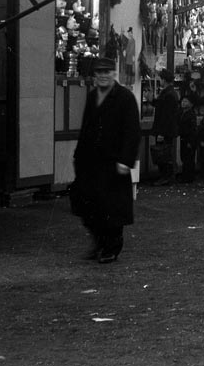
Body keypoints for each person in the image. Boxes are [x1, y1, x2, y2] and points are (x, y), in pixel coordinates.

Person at [70, 57, 141, 264]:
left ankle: (111, 247)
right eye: (99, 72)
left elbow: (132, 131)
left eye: (107, 72)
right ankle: (99, 242)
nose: (102, 76)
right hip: (92, 162)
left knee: (112, 209)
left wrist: (125, 160)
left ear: (114, 74)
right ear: (95, 76)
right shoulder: (92, 97)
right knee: (89, 206)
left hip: (114, 163)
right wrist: (78, 157)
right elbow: (86, 128)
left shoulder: (125, 97)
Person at [150, 68, 180, 185]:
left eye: (160, 79)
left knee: (164, 154)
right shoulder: (169, 93)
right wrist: (152, 101)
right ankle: (166, 176)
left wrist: (162, 132)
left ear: (164, 80)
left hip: (165, 130)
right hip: (166, 129)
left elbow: (166, 115)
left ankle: (166, 176)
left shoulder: (169, 94)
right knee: (164, 153)